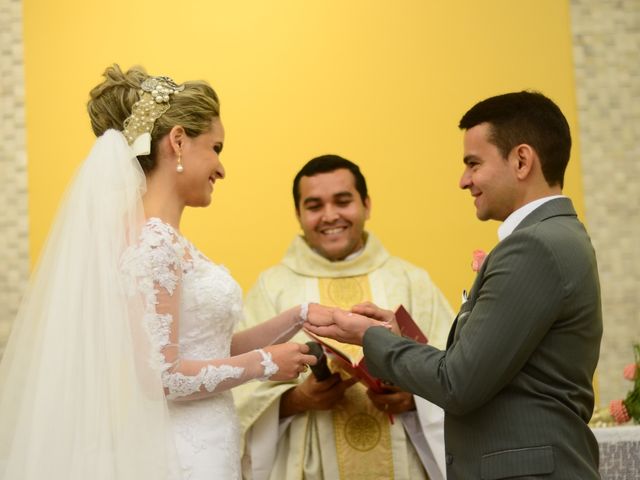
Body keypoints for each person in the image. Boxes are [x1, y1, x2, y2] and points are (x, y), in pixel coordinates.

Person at [0, 65, 326, 480]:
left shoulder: (164, 240)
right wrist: (265, 363)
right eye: (216, 148)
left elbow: (205, 348)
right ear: (178, 141)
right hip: (182, 453)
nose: (221, 169)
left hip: (207, 439)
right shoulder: (154, 244)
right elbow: (162, 376)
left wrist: (300, 316)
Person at [305, 91, 603, 479]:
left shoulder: (535, 246)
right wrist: (402, 343)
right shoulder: (554, 236)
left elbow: (458, 383)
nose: (464, 181)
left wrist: (372, 339)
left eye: (473, 164)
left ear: (522, 160)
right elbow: (487, 369)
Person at [234, 155, 454, 480]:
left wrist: (413, 398)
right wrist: (296, 399)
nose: (330, 216)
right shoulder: (272, 288)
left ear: (366, 204)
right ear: (298, 214)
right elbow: (240, 389)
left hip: (405, 462)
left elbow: (456, 373)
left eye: (342, 201)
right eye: (314, 205)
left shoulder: (410, 281)